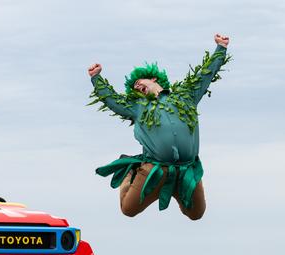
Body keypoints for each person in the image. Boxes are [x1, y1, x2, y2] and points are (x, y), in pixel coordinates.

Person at [87, 34, 230, 220]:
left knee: (196, 214)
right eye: (134, 88)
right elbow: (112, 100)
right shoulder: (137, 107)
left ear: (154, 79)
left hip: (187, 170)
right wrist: (96, 78)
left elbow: (206, 74)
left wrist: (221, 48)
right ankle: (132, 169)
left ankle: (177, 190)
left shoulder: (186, 96)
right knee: (128, 209)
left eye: (140, 82)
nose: (137, 87)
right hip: (155, 169)